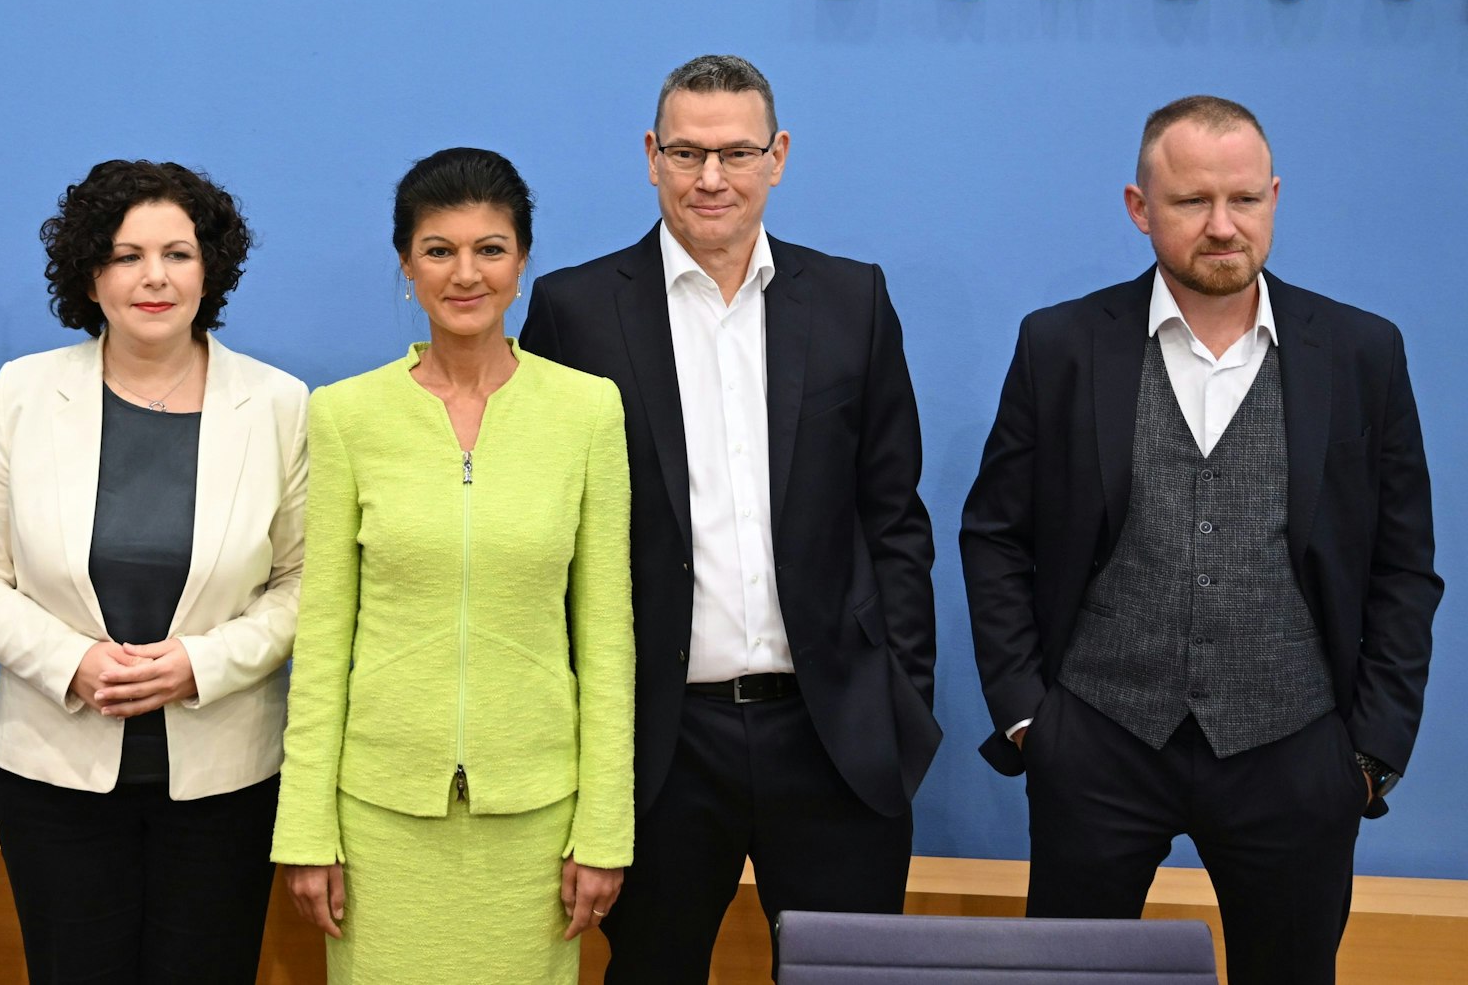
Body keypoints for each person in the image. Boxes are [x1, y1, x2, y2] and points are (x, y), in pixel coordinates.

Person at [959, 96, 1443, 985]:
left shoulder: (1361, 352)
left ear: (1274, 197)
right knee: (1068, 982)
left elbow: (1405, 566)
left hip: (1296, 750)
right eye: (1191, 202)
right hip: (1098, 741)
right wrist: (1032, 717)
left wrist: (1371, 750)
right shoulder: (1060, 345)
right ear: (1141, 209)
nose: (1223, 226)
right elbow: (995, 535)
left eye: (1246, 200)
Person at [519, 54, 941, 982]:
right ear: (651, 155)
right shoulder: (577, 311)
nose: (712, 177)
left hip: (831, 735)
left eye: (737, 152)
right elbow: (548, 538)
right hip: (663, 746)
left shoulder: (851, 300)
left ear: (778, 155)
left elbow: (895, 519)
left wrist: (899, 694)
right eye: (687, 152)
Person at [0, 159, 307, 984]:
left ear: (210, 269)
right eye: (126, 254)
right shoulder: (25, 393)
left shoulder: (279, 406)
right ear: (89, 273)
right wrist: (73, 662)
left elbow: (305, 583)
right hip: (55, 776)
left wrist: (199, 665)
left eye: (177, 253)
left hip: (225, 781)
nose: (154, 277)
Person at [273, 147, 634, 983]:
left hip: (538, 822)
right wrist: (305, 830)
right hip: (379, 820)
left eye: (490, 248)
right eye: (439, 249)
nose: (464, 273)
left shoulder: (587, 411)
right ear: (406, 264)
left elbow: (607, 639)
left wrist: (604, 828)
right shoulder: (345, 415)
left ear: (522, 263)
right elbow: (323, 636)